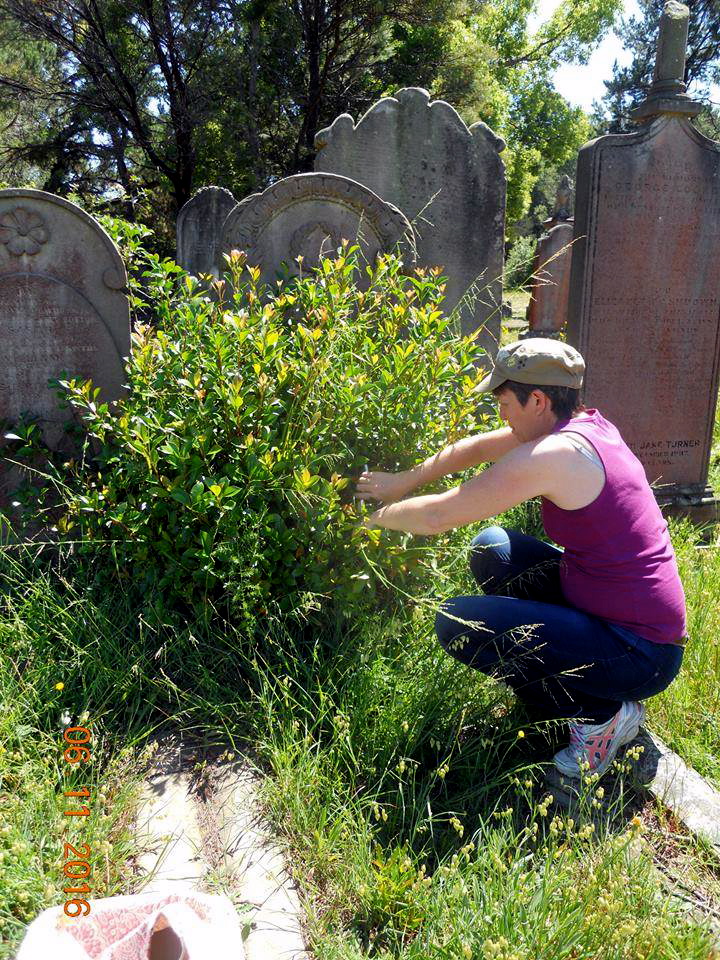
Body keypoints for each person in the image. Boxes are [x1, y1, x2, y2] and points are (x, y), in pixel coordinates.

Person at [354, 338, 687, 780]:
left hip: (641, 652)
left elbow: (438, 516)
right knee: (492, 547)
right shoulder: (581, 427)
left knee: (456, 622)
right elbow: (474, 449)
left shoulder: (556, 455)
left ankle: (602, 718)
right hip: (607, 610)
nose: (501, 415)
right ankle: (565, 685)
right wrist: (405, 480)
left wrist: (373, 521)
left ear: (537, 399)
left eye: (504, 402)